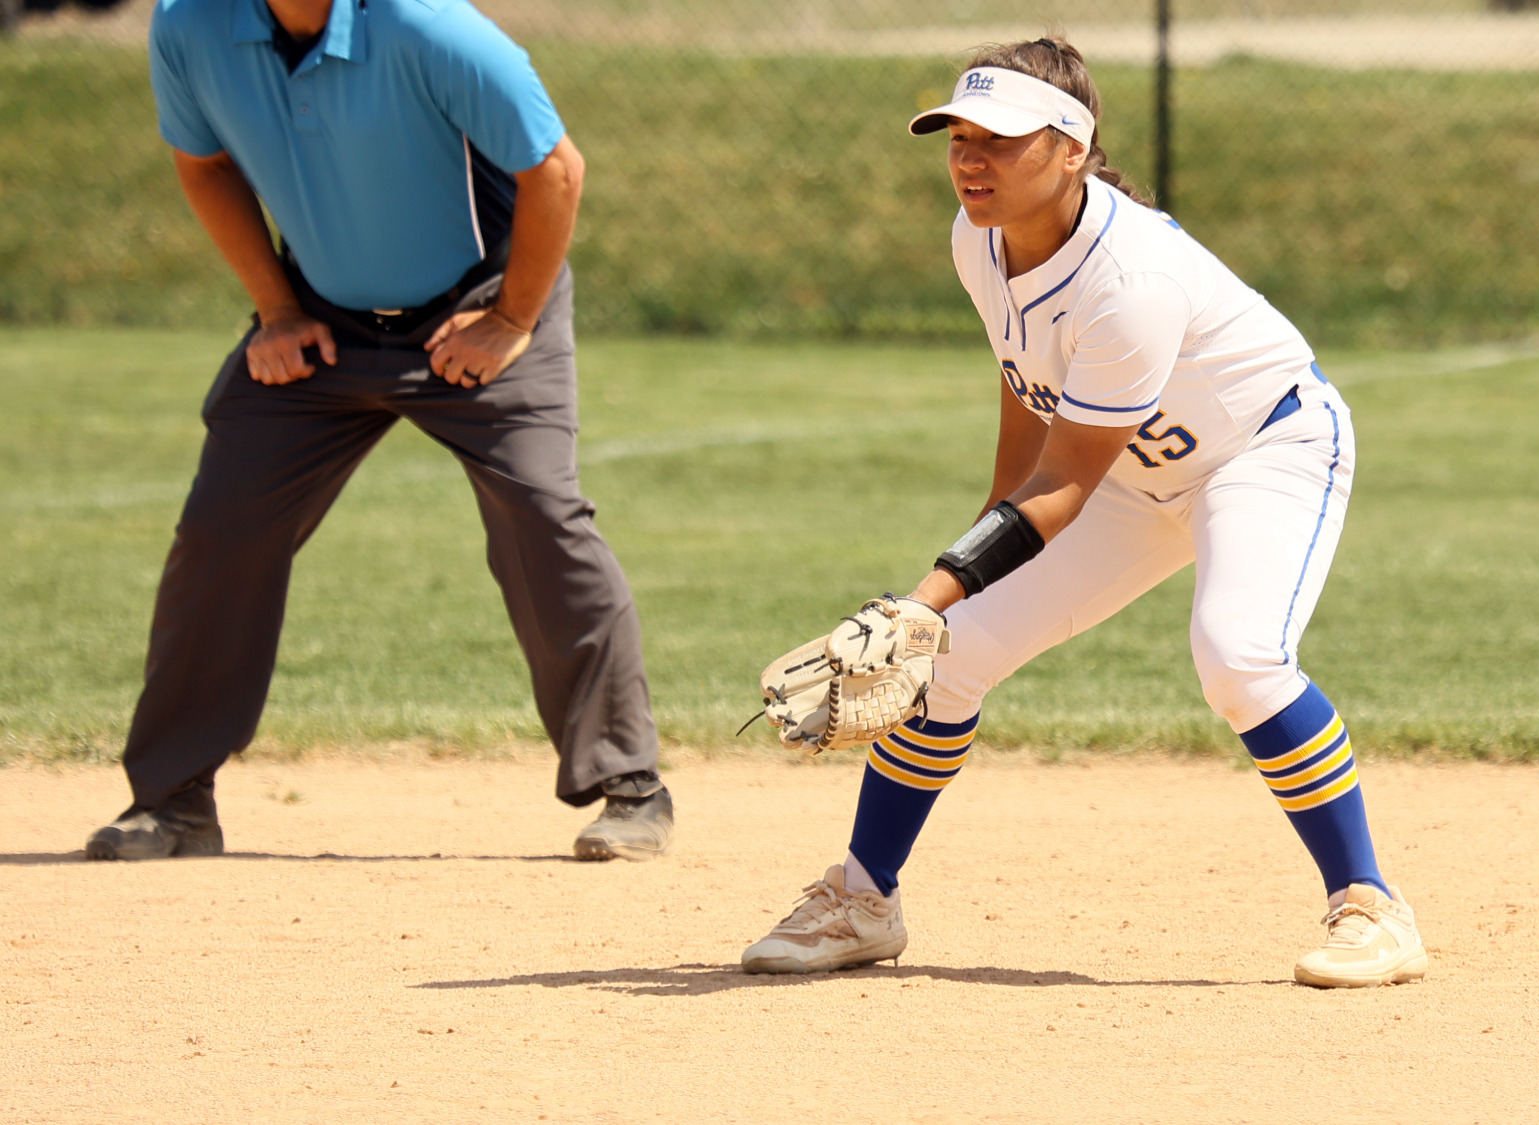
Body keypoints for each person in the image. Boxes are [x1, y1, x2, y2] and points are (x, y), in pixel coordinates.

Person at [740, 37, 1428, 987]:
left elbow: (1060, 486)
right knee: (952, 654)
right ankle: (862, 898)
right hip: (1130, 475)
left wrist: (923, 596)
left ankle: (1370, 905)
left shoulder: (1131, 279)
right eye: (959, 136)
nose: (970, 160)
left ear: (1072, 149)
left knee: (1238, 657)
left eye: (1001, 140)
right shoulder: (976, 239)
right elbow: (1026, 405)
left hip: (1265, 450)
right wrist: (950, 598)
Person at [85, 0, 671, 862]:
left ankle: (631, 788)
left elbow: (556, 169)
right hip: (319, 319)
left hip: (483, 310)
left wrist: (512, 319)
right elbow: (203, 164)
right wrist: (275, 309)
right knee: (224, 527)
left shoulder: (429, 27)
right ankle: (173, 803)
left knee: (542, 516)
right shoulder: (190, 25)